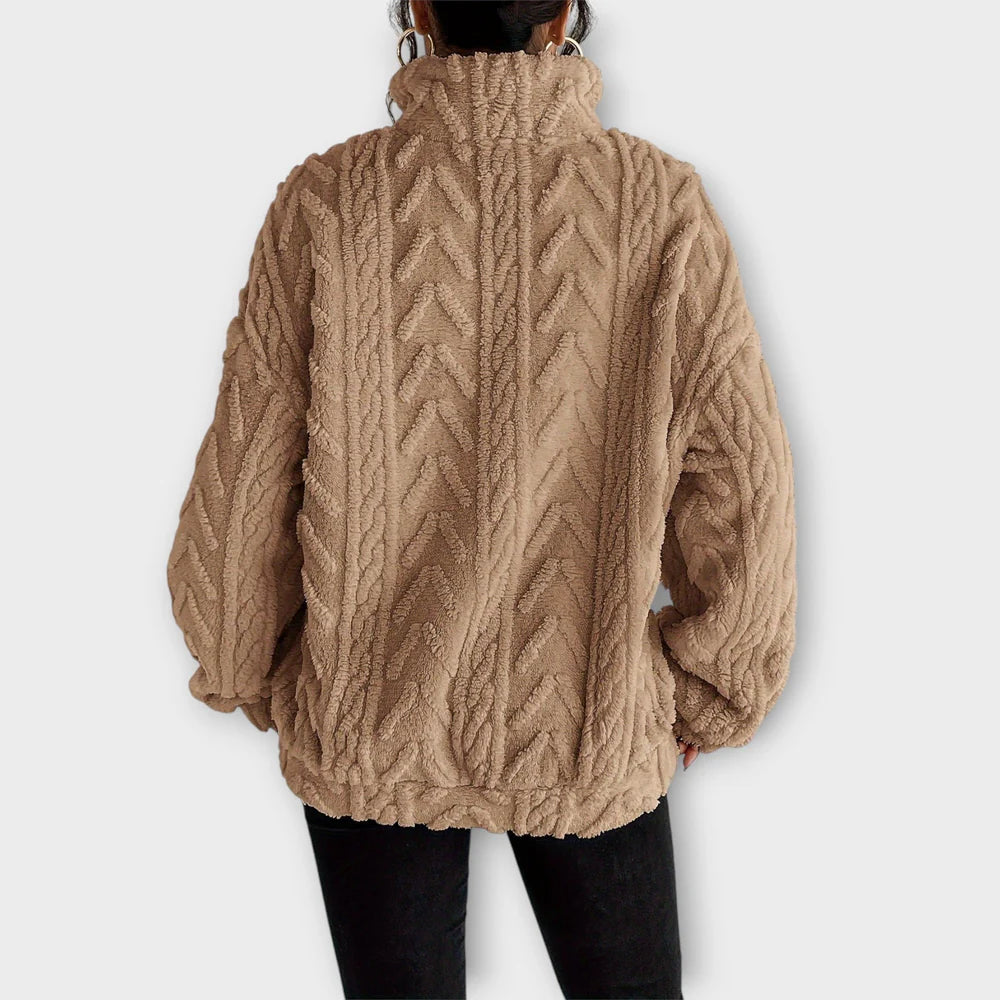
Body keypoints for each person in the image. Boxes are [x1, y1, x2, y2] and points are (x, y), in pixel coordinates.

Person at [165, 1, 797, 996]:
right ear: (566, 16)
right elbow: (739, 480)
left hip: (370, 715)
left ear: (416, 11)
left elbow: (247, 473)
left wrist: (247, 659)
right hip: (588, 718)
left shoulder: (330, 201)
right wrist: (713, 684)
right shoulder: (657, 201)